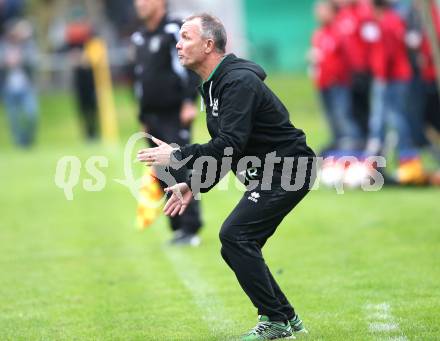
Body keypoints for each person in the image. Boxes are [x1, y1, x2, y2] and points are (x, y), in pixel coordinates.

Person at [137, 13, 316, 340]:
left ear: (208, 45)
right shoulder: (212, 84)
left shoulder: (237, 83)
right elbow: (229, 151)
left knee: (235, 236)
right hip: (271, 171)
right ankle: (287, 319)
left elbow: (228, 144)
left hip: (289, 168)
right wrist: (193, 185)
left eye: (186, 37)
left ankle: (276, 322)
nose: (178, 43)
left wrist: (177, 154)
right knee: (236, 243)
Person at [132, 0, 202, 245]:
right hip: (151, 116)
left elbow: (188, 63)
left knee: (179, 165)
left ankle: (190, 227)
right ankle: (177, 227)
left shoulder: (174, 29)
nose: (139, 4)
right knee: (161, 171)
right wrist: (142, 115)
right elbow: (140, 78)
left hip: (174, 112)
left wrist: (189, 100)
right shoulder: (139, 36)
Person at [310, 0, 362, 155]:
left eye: (321, 10)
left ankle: (353, 150)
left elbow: (349, 57)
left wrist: (339, 76)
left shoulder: (339, 31)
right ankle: (339, 150)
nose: (318, 13)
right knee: (332, 118)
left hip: (338, 83)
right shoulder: (319, 34)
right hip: (323, 84)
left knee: (343, 116)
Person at [0, 18, 38, 147]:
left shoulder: (27, 46)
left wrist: (21, 59)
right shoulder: (3, 47)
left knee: (31, 113)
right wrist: (6, 62)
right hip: (9, 88)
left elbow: (34, 61)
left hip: (26, 87)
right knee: (14, 118)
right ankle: (19, 143)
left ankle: (28, 139)